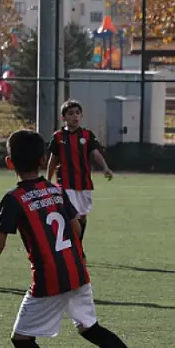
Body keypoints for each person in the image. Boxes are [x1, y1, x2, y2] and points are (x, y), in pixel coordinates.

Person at [0, 129, 162, 348]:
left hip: (48, 280)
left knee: (22, 340)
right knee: (90, 328)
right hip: (77, 272)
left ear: (9, 162)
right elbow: (76, 228)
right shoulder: (56, 191)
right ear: (44, 160)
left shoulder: (14, 198)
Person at [46, 100, 114, 245]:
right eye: (70, 114)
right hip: (66, 183)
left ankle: (78, 244)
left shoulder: (87, 135)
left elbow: (95, 154)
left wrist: (105, 168)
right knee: (72, 216)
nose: (75, 116)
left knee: (82, 217)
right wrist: (48, 179)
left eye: (77, 113)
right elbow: (53, 160)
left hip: (84, 183)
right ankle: (74, 247)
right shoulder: (58, 137)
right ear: (63, 118)